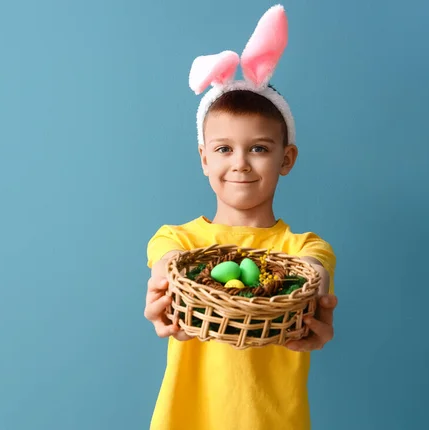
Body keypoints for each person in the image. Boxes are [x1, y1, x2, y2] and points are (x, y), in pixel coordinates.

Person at [144, 5, 338, 429]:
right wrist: (161, 298)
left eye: (260, 148)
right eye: (224, 149)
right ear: (203, 158)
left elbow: (314, 274)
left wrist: (314, 313)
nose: (241, 164)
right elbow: (165, 265)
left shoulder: (304, 247)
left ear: (286, 159)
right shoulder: (179, 240)